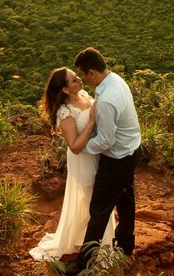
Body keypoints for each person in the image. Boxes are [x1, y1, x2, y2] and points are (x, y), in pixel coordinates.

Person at [64, 47, 141, 276]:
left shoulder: (106, 99)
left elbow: (106, 141)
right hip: (131, 150)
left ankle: (84, 264)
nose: (82, 80)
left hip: (117, 158)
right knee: (126, 198)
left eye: (82, 75)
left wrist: (81, 148)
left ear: (91, 72)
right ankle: (126, 246)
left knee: (99, 209)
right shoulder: (115, 80)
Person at [29, 67, 117, 262]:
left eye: (77, 76)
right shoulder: (65, 112)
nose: (80, 80)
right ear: (65, 90)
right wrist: (91, 123)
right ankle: (96, 245)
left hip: (98, 153)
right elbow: (75, 147)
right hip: (83, 160)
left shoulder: (84, 94)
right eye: (74, 80)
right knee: (94, 200)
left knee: (96, 199)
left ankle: (95, 239)